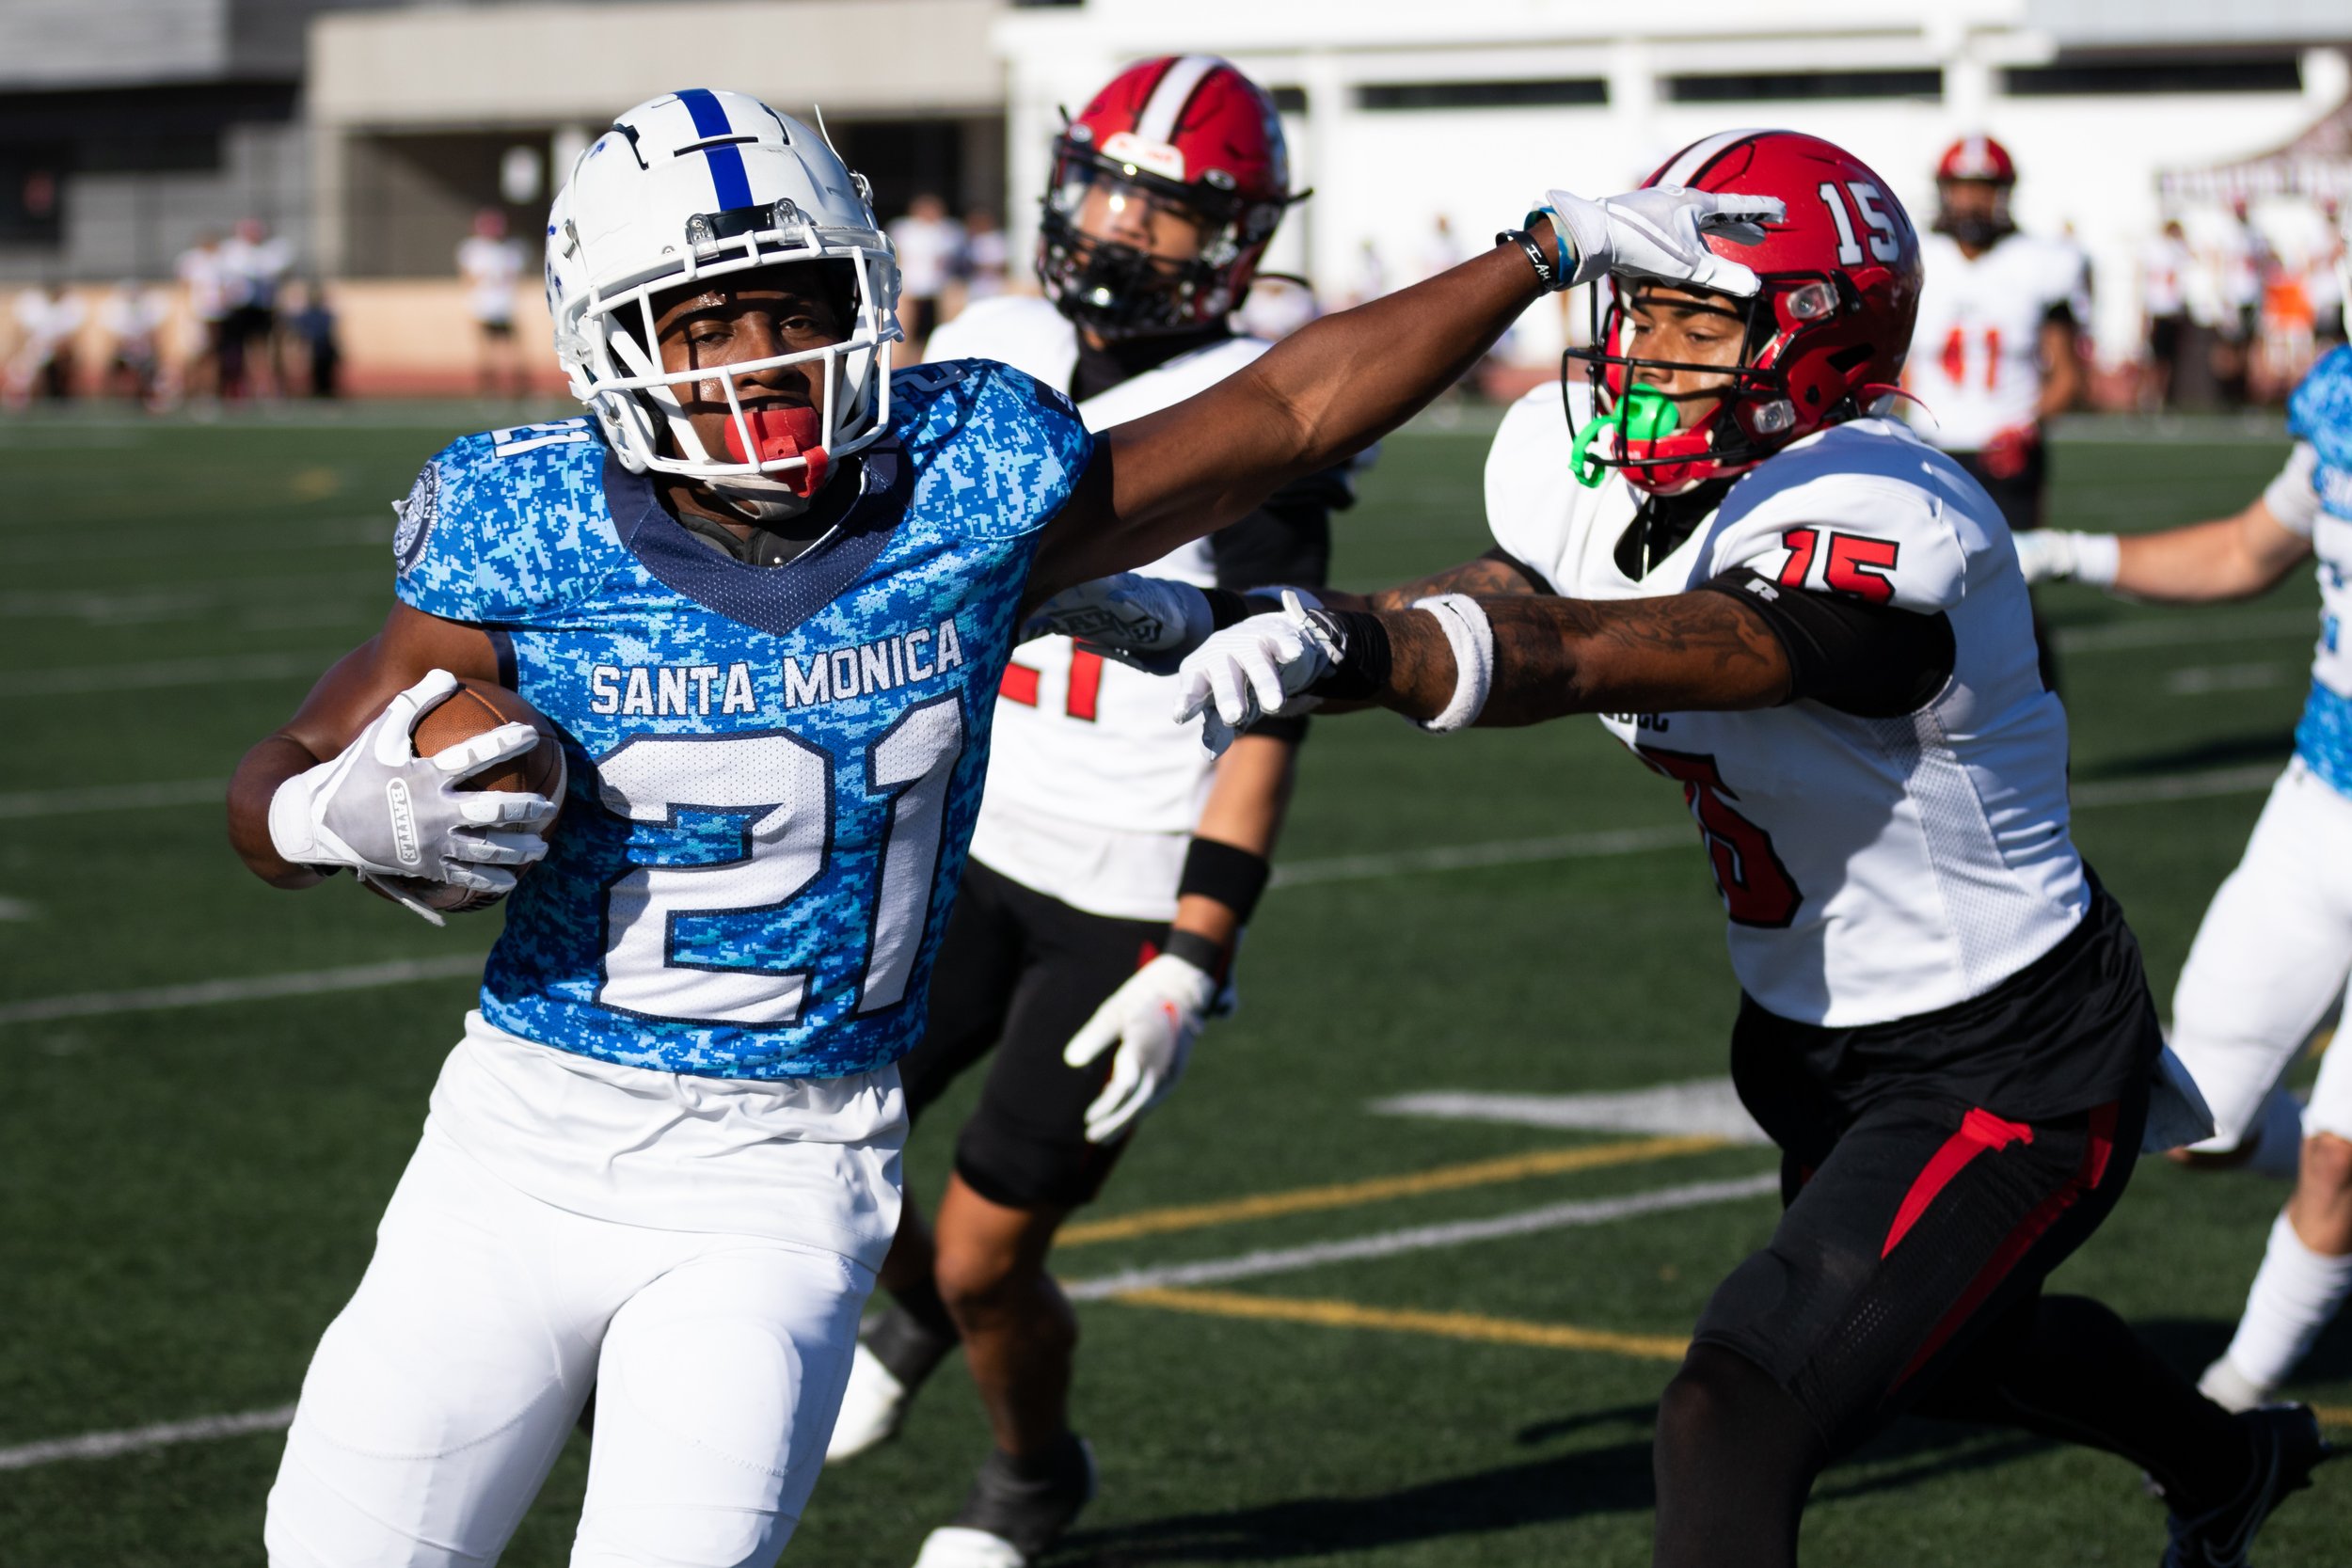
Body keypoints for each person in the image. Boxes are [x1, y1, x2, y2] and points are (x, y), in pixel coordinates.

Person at [225, 85, 1737, 1568]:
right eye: (705, 321)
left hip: (780, 1174)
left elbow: (1279, 409)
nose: (765, 358)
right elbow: (281, 769)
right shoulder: (518, 523)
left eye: (795, 303)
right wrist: (322, 808)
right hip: (511, 1153)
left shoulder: (965, 488)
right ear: (607, 337)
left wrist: (1541, 252)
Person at [1041, 127, 2332, 1568]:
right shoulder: (1606, 476)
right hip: (1812, 1028)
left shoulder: (1893, 507)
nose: (1650, 347)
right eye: (1641, 307)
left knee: (1738, 1405)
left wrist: (1367, 643)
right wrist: (1232, 626)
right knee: (1953, 1347)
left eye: (1699, 316)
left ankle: (2222, 1456)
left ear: (1819, 335)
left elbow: (1653, 645)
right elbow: (1506, 590)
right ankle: (2231, 1460)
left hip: (2004, 1053)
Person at [820, 55, 1341, 1568]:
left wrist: (1196, 945)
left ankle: (1030, 1474)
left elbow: (1269, 725)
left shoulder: (1253, 417)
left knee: (989, 1256)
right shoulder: (996, 334)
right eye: (1107, 185)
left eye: (1167, 208)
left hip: (1123, 889)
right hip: (968, 830)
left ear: (1233, 236)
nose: (1122, 226)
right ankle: (909, 1308)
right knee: (809, 1123)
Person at [2020, 345, 2352, 1421]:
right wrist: (2064, 549)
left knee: (2336, 1160)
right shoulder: (2339, 413)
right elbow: (2244, 550)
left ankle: (2233, 1400)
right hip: (2317, 802)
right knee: (2195, 1119)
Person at [458, 207, 528, 398]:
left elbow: (513, 278)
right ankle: (488, 390)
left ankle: (518, 389)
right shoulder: (474, 249)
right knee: (486, 351)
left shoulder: (511, 250)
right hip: (484, 308)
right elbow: (468, 278)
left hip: (504, 307)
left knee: (512, 351)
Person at [890, 192, 962, 347]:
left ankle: (948, 348)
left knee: (952, 306)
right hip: (910, 286)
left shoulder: (950, 230)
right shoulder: (903, 228)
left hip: (940, 287)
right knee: (903, 322)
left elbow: (949, 260)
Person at [2142, 219, 2192, 411]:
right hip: (2159, 311)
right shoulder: (2158, 251)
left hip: (2172, 312)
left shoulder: (2177, 252)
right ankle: (2149, 396)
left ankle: (2161, 397)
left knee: (2168, 360)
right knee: (2155, 358)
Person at [7, 280, 84, 404]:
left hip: (52, 356)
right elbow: (21, 338)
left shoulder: (69, 309)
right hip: (34, 355)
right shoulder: (32, 305)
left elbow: (67, 341)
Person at [955, 207, 1009, 303]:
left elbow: (1003, 265)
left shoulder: (996, 240)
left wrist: (983, 266)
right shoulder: (970, 240)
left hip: (994, 287)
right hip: (975, 288)